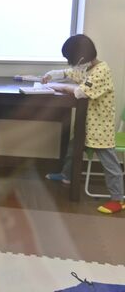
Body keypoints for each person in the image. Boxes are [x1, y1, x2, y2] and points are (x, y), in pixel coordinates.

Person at [43, 34, 124, 214]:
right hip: (87, 126)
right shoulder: (88, 68)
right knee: (73, 149)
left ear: (81, 57)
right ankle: (66, 175)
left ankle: (118, 199)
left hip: (100, 129)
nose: (71, 64)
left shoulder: (102, 71)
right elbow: (70, 73)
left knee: (110, 165)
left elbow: (80, 92)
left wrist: (58, 87)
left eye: (71, 59)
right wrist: (52, 74)